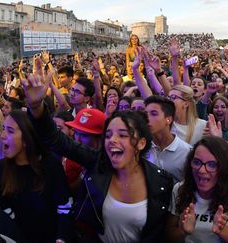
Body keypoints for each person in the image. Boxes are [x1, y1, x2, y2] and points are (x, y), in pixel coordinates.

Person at [23, 72, 173, 242]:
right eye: (108, 135)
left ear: (141, 143)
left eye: (122, 135)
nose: (112, 140)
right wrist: (36, 107)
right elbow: (56, 140)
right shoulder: (98, 162)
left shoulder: (162, 182)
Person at [0, 111, 73, 242]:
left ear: (26, 139)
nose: (2, 136)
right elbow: (3, 211)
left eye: (10, 131)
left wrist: (61, 237)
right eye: (3, 129)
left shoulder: (51, 166)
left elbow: (64, 207)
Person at [166, 136, 228, 242]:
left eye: (211, 164)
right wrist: (183, 231)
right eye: (197, 162)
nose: (202, 170)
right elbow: (168, 235)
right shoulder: (180, 189)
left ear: (224, 167)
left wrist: (222, 230)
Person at [144, 95, 192, 182]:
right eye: (145, 114)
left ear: (168, 119)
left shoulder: (186, 152)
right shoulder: (142, 148)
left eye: (154, 113)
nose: (147, 118)